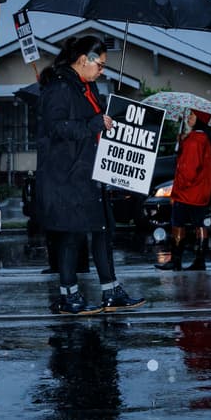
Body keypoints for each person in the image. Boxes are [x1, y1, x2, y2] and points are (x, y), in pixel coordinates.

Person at [35, 35, 145, 314]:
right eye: (100, 64)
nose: (102, 70)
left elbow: (92, 122)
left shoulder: (87, 87)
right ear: (84, 59)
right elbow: (56, 128)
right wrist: (92, 124)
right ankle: (68, 295)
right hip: (67, 174)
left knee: (102, 230)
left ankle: (111, 290)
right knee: (72, 235)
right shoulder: (60, 87)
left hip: (91, 171)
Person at [155, 109, 211, 271]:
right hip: (201, 192)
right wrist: (183, 142)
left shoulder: (194, 141)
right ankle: (200, 260)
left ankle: (176, 261)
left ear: (200, 120)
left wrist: (177, 191)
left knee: (178, 224)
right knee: (199, 224)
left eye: (192, 116)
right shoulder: (204, 139)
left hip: (186, 193)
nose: (188, 118)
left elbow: (187, 169)